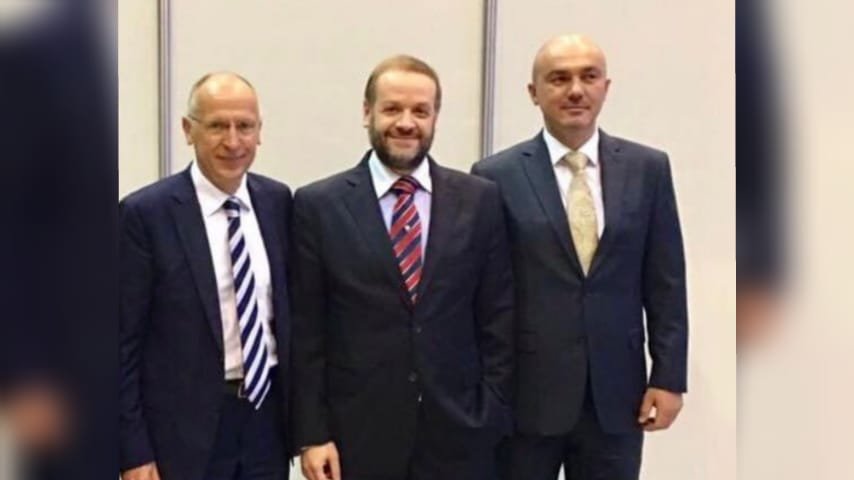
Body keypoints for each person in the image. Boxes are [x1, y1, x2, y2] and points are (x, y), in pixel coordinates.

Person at [471, 34, 688, 480]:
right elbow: (485, 294)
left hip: (617, 395)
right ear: (533, 92)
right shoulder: (495, 176)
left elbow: (666, 281)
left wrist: (669, 376)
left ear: (606, 87)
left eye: (588, 77)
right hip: (526, 397)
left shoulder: (648, 169)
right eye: (559, 79)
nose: (575, 90)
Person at [292, 55, 514, 480]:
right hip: (356, 438)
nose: (406, 123)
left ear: (435, 118)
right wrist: (313, 434)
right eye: (392, 108)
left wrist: (491, 411)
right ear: (367, 112)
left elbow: (498, 315)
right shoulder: (319, 206)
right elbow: (307, 332)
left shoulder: (479, 200)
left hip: (460, 434)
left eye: (420, 111)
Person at [119, 72, 292, 480]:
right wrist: (132, 451)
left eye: (244, 126)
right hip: (182, 433)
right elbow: (120, 344)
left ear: (259, 132)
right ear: (187, 130)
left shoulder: (277, 202)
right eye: (217, 126)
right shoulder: (146, 215)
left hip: (267, 424)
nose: (233, 141)